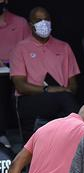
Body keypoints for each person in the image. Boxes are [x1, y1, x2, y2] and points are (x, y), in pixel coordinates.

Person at [10, 7, 79, 141]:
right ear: (30, 25)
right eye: (39, 20)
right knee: (66, 101)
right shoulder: (20, 48)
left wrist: (63, 91)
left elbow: (73, 84)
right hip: (32, 98)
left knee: (66, 99)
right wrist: (49, 89)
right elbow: (20, 86)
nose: (44, 23)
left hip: (63, 97)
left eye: (46, 19)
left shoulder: (64, 47)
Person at [0, 0, 30, 148]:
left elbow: (30, 48)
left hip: (18, 68)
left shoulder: (20, 22)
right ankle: (1, 135)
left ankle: (28, 137)